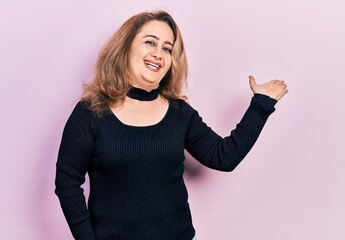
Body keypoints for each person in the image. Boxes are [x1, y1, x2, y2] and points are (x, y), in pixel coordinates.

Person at [55, 10, 288, 240]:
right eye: (150, 43)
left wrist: (261, 105)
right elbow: (67, 182)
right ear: (125, 48)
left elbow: (223, 157)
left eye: (167, 49)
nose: (159, 54)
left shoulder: (180, 113)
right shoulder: (90, 112)